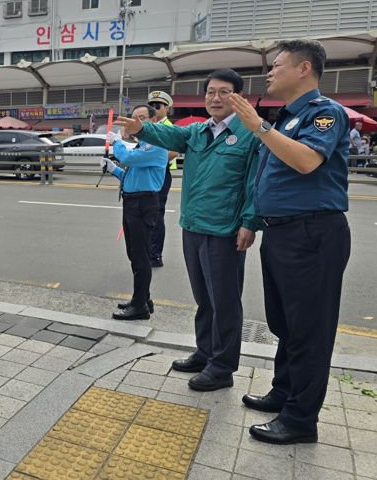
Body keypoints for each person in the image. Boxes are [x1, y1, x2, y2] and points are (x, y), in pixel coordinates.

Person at [230, 39, 350, 445]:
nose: (269, 72)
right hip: (281, 232)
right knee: (285, 323)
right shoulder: (284, 119)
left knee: (309, 330)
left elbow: (305, 161)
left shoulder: (324, 114)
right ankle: (284, 392)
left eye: (277, 65)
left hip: (312, 233)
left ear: (303, 69)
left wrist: (259, 127)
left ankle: (300, 419)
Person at [117, 69, 261, 392]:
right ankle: (206, 352)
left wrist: (249, 223)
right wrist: (142, 128)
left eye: (224, 92)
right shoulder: (197, 132)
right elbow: (170, 137)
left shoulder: (249, 135)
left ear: (238, 98)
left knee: (224, 301)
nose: (215, 98)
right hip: (193, 226)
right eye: (211, 92)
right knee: (204, 298)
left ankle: (222, 367)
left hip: (224, 230)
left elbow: (254, 184)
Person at [102, 105, 168, 321]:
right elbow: (131, 175)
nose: (135, 121)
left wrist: (117, 142)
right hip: (132, 202)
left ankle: (140, 306)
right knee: (134, 255)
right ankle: (143, 299)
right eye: (133, 118)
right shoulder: (144, 145)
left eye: (141, 118)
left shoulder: (157, 144)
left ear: (152, 120)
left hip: (143, 204)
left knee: (140, 257)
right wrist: (113, 170)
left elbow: (129, 159)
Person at [146, 90, 179, 268]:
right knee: (147, 213)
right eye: (151, 106)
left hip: (161, 172)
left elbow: (174, 151)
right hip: (147, 172)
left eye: (157, 106)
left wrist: (152, 159)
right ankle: (147, 249)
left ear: (166, 108)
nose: (154, 109)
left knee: (157, 214)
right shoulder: (149, 126)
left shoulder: (169, 127)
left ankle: (155, 255)